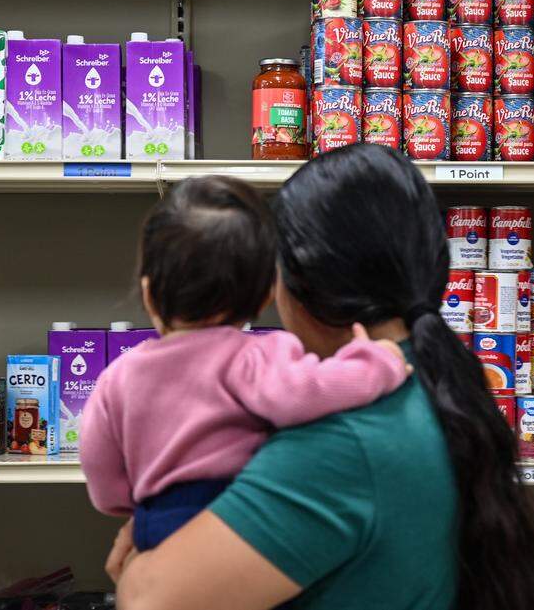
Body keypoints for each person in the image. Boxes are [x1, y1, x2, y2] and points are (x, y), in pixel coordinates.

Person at [108, 144, 534, 610]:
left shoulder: (344, 440)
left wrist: (149, 541)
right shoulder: (432, 379)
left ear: (300, 285)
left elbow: (149, 601)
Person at [79, 175, 411, 552]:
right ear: (266, 294)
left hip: (156, 523)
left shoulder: (118, 375)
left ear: (149, 294)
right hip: (237, 516)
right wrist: (378, 360)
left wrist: (134, 504)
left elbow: (98, 465)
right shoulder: (254, 356)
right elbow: (309, 393)